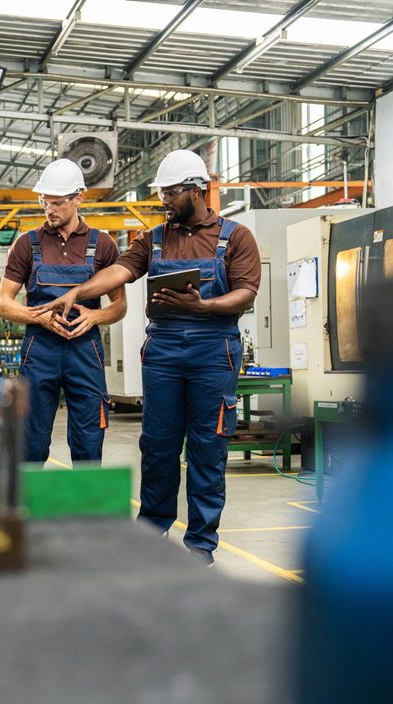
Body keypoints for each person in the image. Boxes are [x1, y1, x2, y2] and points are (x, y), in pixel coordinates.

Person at [37, 150, 261, 565]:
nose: (164, 201)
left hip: (214, 350)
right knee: (157, 445)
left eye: (172, 194)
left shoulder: (236, 237)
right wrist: (79, 292)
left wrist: (204, 307)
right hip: (163, 350)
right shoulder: (154, 238)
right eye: (162, 193)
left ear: (195, 190)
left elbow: (246, 293)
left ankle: (200, 543)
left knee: (207, 448)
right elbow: (119, 271)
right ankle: (151, 532)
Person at [0, 159, 126, 464]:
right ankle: (26, 510)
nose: (48, 209)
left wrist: (95, 317)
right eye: (44, 202)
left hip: (85, 350)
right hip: (39, 350)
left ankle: (86, 512)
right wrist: (37, 317)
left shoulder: (103, 245)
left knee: (89, 440)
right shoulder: (27, 245)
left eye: (57, 202)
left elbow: (120, 306)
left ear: (78, 198)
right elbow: (4, 303)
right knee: (29, 441)